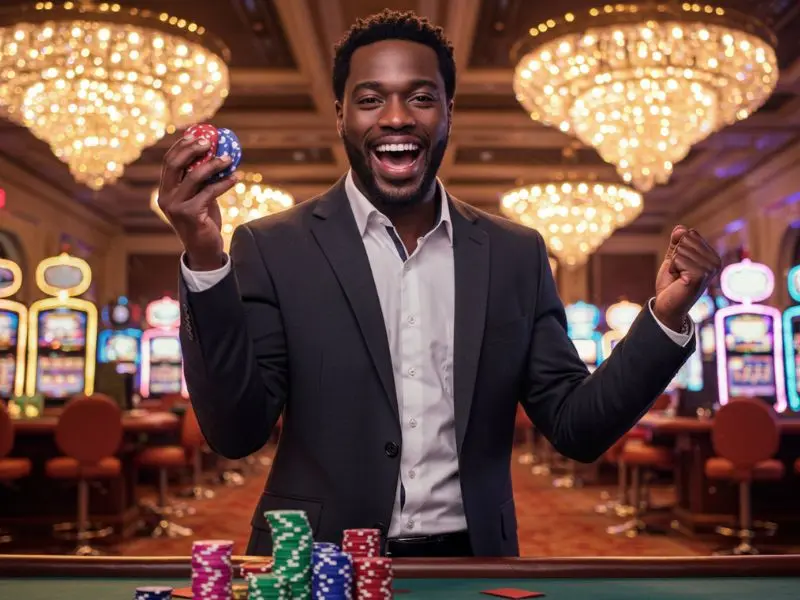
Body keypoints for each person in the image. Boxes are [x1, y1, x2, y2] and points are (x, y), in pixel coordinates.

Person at [157, 9, 721, 557]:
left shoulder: (516, 253)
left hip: (472, 555)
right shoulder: (272, 245)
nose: (396, 117)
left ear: (449, 111)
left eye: (421, 98)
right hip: (316, 557)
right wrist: (205, 259)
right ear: (341, 115)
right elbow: (235, 432)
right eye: (371, 98)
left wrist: (664, 320)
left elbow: (577, 427)